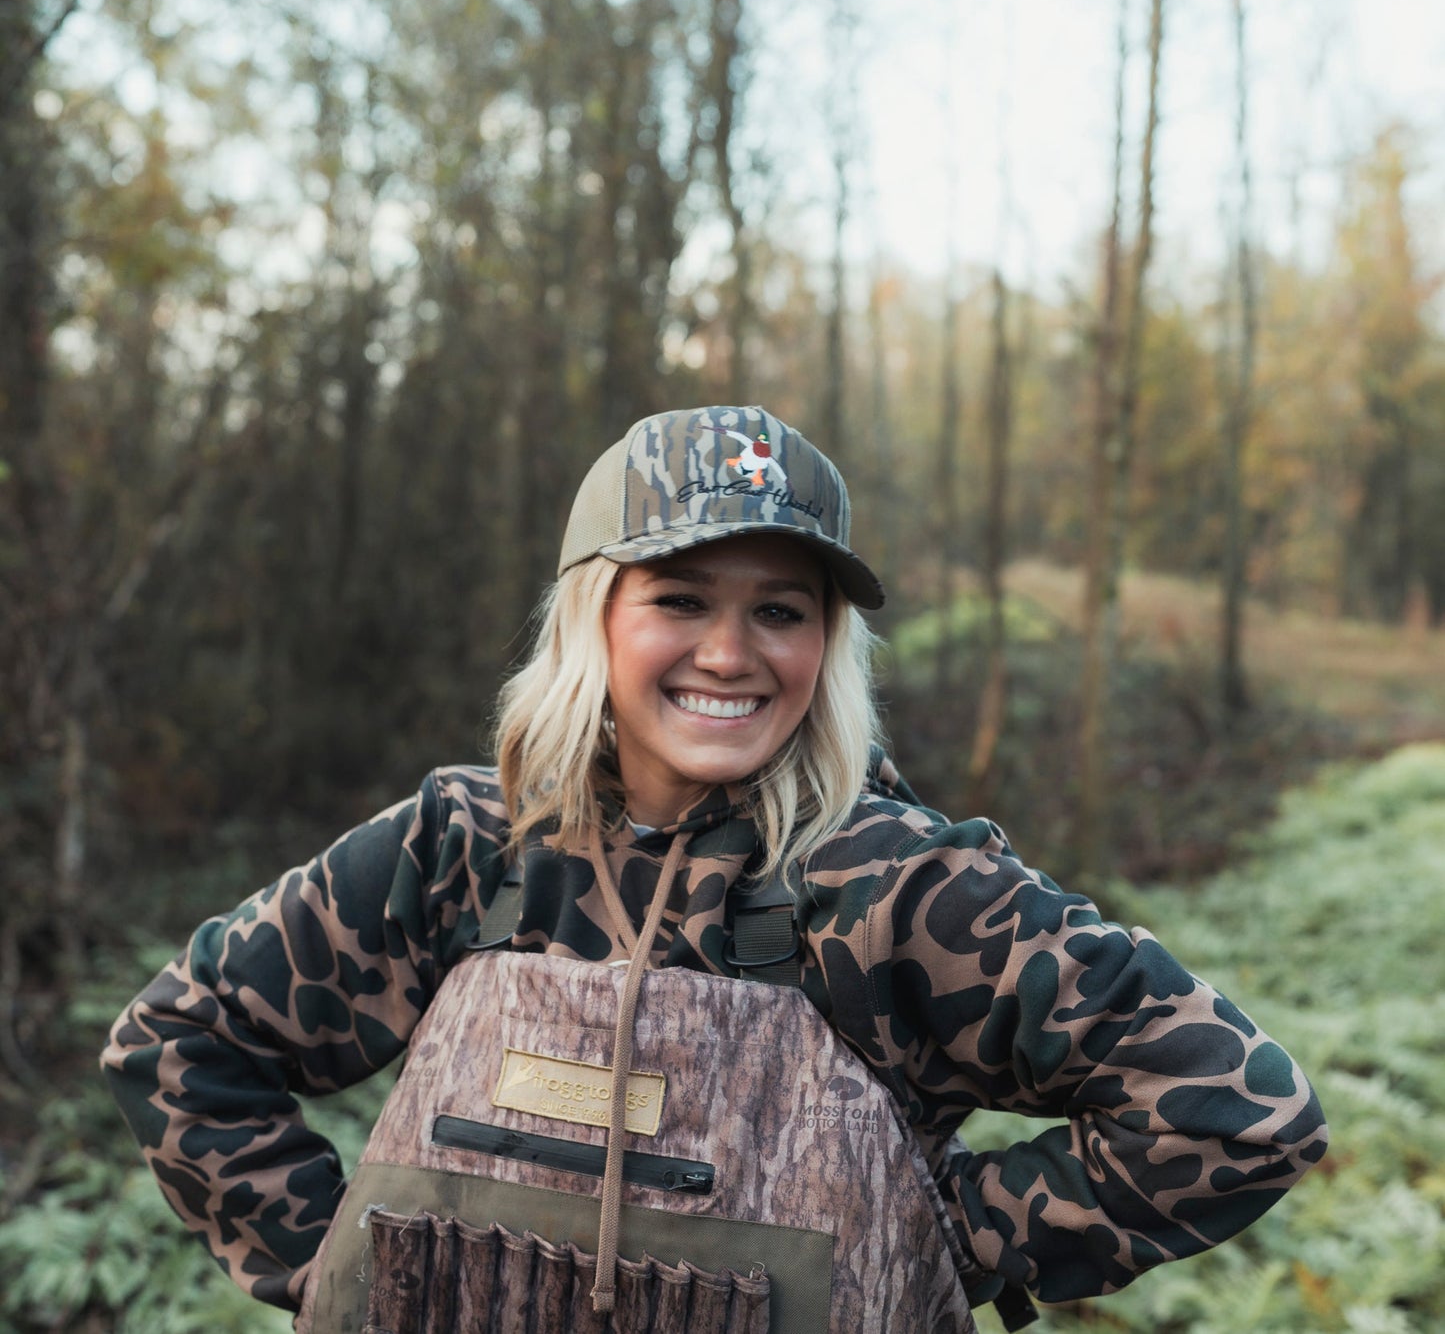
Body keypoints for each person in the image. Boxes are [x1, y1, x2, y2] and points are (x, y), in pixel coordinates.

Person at [102, 405, 1327, 1331]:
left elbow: (1234, 1109)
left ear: (827, 644)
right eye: (680, 597)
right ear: (596, 615)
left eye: (781, 612)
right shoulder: (465, 849)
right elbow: (180, 1040)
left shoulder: (895, 888)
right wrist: (338, 1266)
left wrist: (938, 1242)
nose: (731, 653)